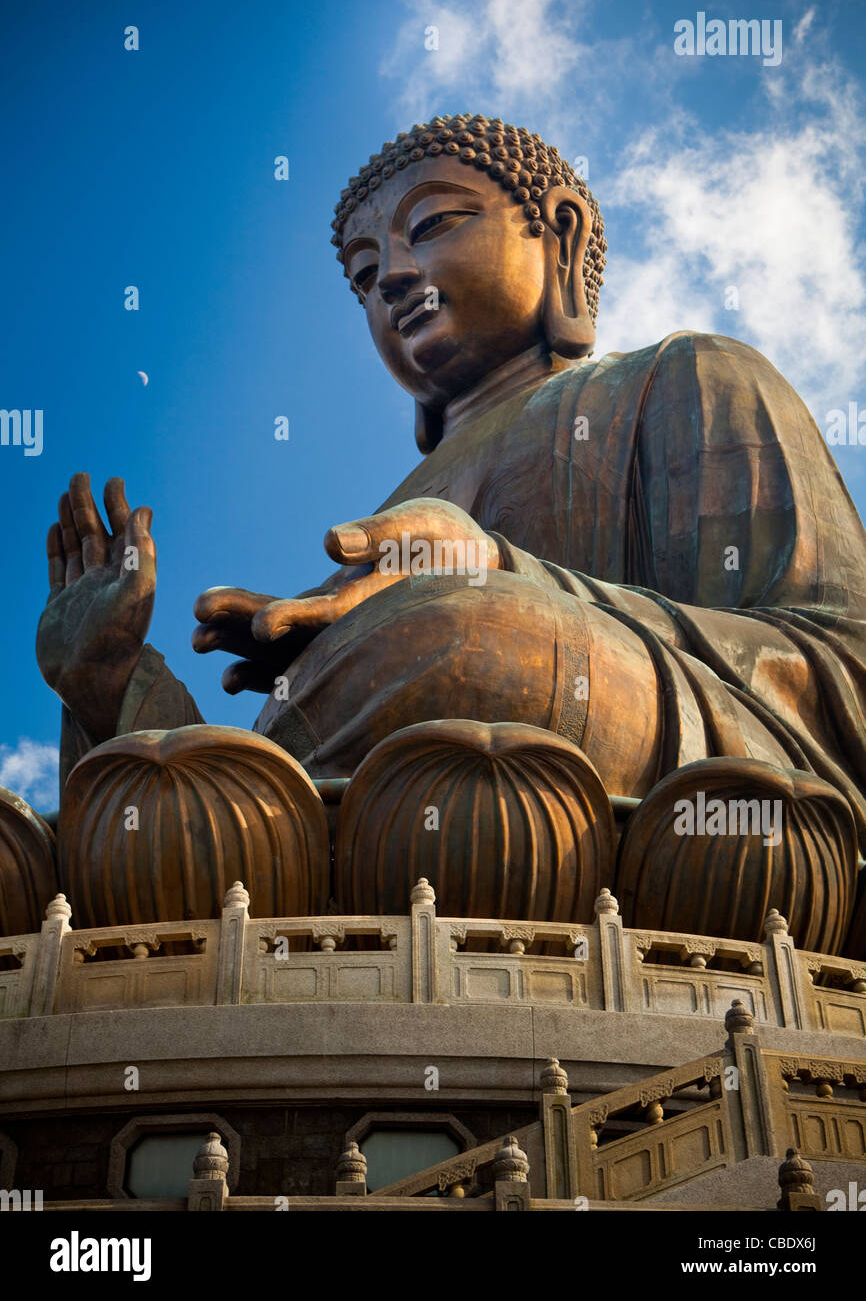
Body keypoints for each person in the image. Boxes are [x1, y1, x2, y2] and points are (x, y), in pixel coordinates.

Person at [37, 114, 866, 873]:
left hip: (702, 816)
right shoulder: (396, 501)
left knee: (464, 635)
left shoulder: (686, 376)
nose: (392, 278)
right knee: (409, 656)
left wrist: (501, 574)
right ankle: (209, 848)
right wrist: (112, 686)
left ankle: (221, 848)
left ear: (563, 237)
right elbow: (291, 767)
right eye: (365, 277)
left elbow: (841, 677)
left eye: (432, 226)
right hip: (382, 828)